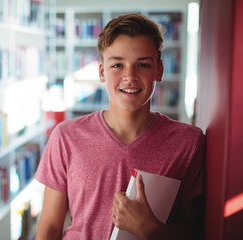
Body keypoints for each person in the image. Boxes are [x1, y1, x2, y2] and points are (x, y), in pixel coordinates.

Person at [35, 13, 205, 240]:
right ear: (102, 72)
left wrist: (151, 229)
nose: (130, 76)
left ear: (159, 71)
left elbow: (195, 230)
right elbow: (49, 229)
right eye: (117, 64)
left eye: (143, 65)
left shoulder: (188, 142)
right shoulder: (66, 137)